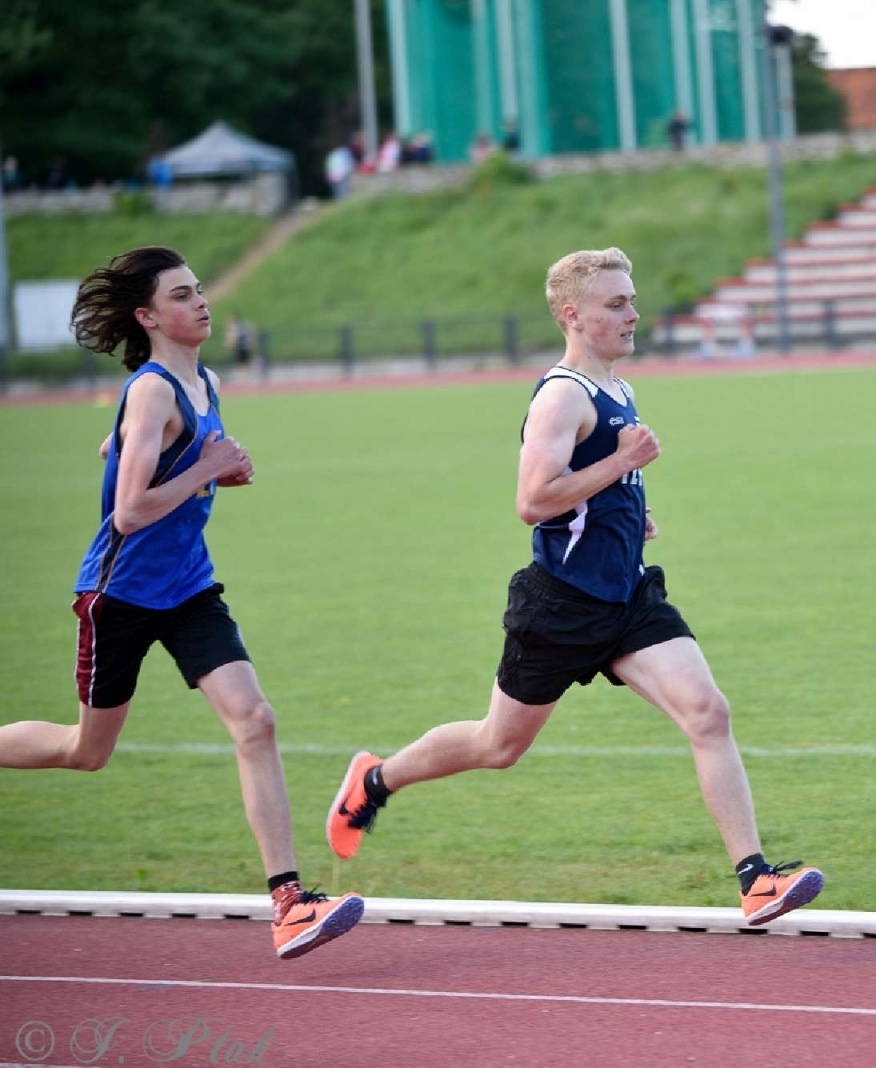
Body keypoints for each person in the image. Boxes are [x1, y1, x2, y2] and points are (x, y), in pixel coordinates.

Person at [326, 247, 824, 926]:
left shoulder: (618, 386)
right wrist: (621, 460)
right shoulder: (563, 394)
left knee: (709, 713)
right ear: (572, 315)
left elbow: (586, 490)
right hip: (560, 606)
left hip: (626, 599)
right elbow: (534, 499)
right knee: (497, 746)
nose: (633, 313)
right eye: (616, 304)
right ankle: (375, 780)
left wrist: (628, 503)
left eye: (632, 300)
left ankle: (754, 879)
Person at [0, 247, 364, 960]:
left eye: (200, 290)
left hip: (190, 587)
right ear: (147, 316)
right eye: (182, 295)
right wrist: (205, 465)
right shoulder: (153, 389)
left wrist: (205, 473)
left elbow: (121, 451)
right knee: (87, 751)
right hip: (123, 595)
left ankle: (289, 903)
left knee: (254, 720)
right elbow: (131, 511)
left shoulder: (204, 382)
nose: (201, 303)